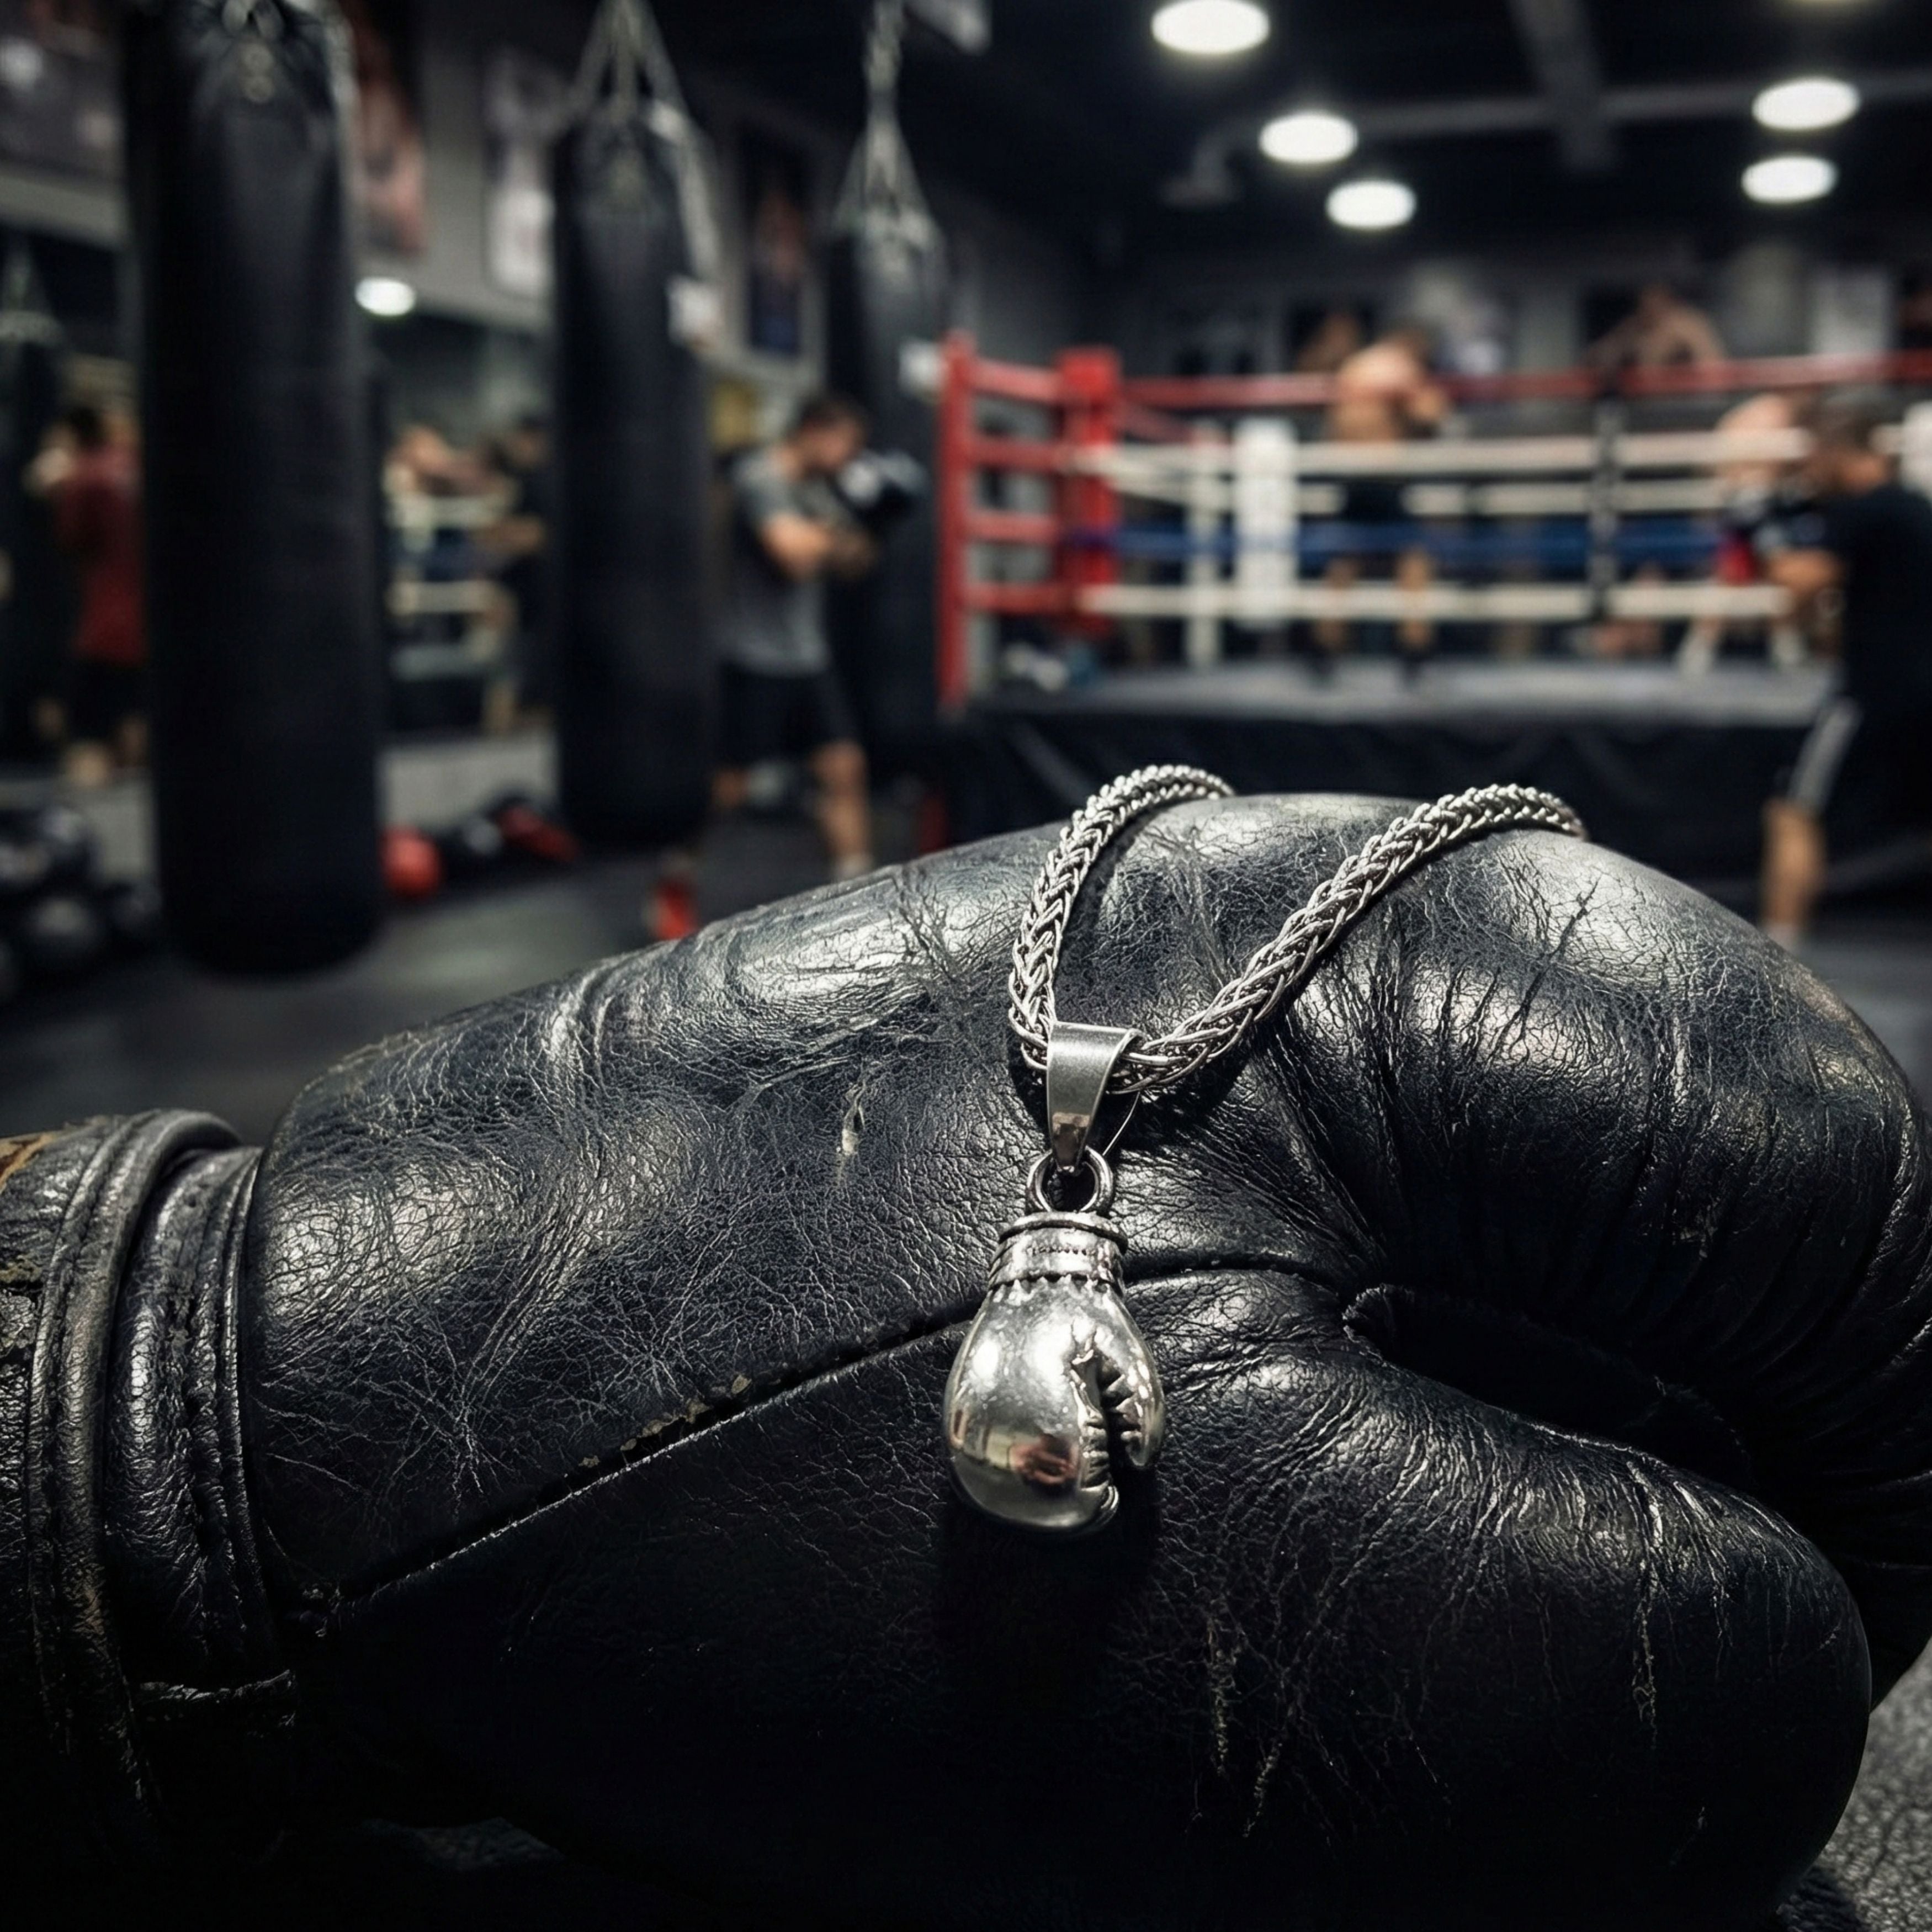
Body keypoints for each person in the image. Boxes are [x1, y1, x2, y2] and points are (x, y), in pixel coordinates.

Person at [652, 393, 879, 941]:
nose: (848, 457)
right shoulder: (761, 478)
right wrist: (840, 534)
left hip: (806, 657)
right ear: (812, 430)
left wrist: (869, 525)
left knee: (843, 768)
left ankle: (862, 901)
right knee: (728, 788)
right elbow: (792, 555)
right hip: (754, 658)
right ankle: (675, 876)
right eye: (843, 443)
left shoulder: (818, 489)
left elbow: (855, 564)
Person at [1760, 399, 1932, 946]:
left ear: (1838, 450)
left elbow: (1795, 588)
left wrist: (1764, 528)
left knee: (1793, 809)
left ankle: (1777, 955)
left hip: (1874, 692)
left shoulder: (1866, 509)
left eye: (1815, 456)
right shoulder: (1915, 510)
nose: (1810, 470)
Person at [1318, 323, 1449, 662]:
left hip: (1350, 474)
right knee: (1413, 560)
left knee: (1344, 563)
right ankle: (1415, 649)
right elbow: (1432, 414)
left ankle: (1324, 649)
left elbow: (1335, 425)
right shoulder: (1400, 366)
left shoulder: (1355, 366)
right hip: (1383, 475)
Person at [32, 401, 145, 785]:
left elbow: (69, 539)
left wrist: (56, 492)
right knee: (134, 727)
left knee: (87, 737)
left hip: (104, 632)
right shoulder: (131, 465)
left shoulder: (85, 478)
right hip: (145, 629)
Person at [1586, 282, 1725, 373]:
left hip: (1690, 400)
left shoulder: (1688, 324)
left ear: (1669, 301)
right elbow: (1598, 354)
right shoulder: (1635, 326)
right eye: (1646, 303)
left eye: (1657, 301)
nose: (1652, 307)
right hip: (1644, 403)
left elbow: (1713, 366)